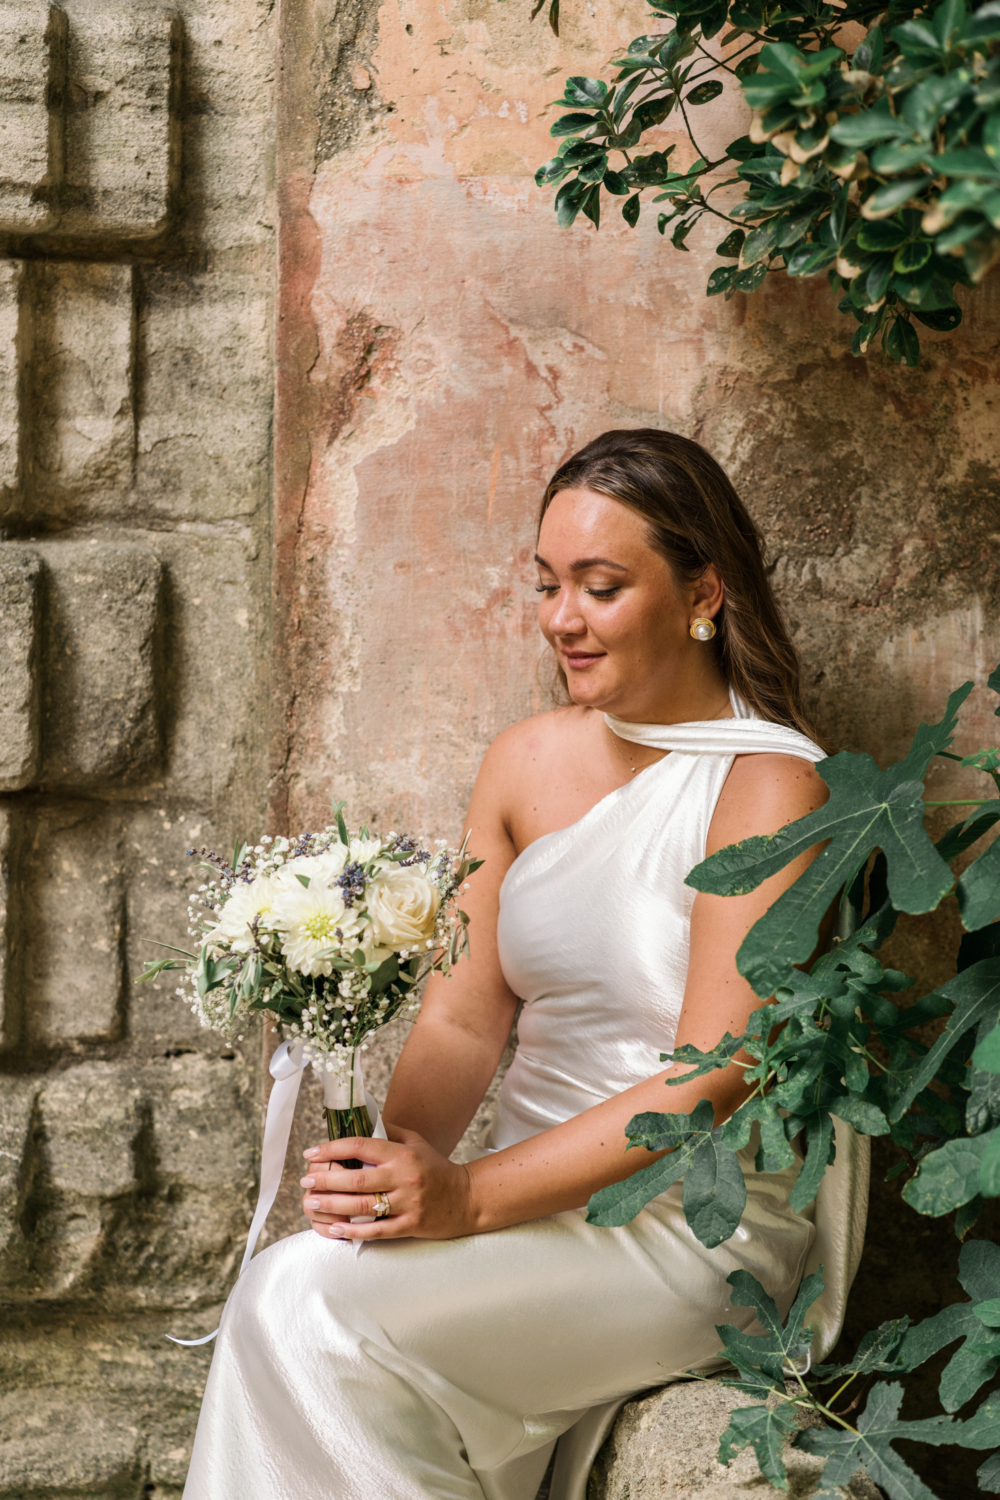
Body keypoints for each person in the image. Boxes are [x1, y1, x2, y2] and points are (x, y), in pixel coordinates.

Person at [182, 429, 867, 1500]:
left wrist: (467, 1198)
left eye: (599, 586)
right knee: (296, 1287)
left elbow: (714, 1070)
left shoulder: (773, 786)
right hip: (508, 1197)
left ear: (703, 594)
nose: (560, 618)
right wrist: (395, 1168)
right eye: (548, 584)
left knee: (300, 1310)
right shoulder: (523, 760)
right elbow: (463, 1022)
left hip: (678, 1229)